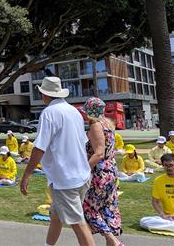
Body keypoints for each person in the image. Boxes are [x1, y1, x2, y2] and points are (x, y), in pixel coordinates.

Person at [20, 77, 94, 246]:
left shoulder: (49, 113)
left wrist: (26, 175)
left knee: (78, 223)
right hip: (80, 175)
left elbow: (39, 147)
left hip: (65, 178)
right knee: (56, 215)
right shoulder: (73, 111)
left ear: (44, 94)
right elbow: (83, 142)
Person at [81, 97, 123, 246]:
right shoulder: (107, 125)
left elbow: (99, 153)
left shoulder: (95, 126)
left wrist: (85, 170)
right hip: (111, 169)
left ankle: (113, 240)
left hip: (101, 172)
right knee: (107, 206)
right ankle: (111, 241)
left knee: (88, 207)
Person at [140, 154, 174, 237]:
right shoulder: (159, 180)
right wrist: (162, 214)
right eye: (165, 165)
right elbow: (155, 201)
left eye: (171, 165)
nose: (168, 168)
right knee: (143, 221)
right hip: (168, 218)